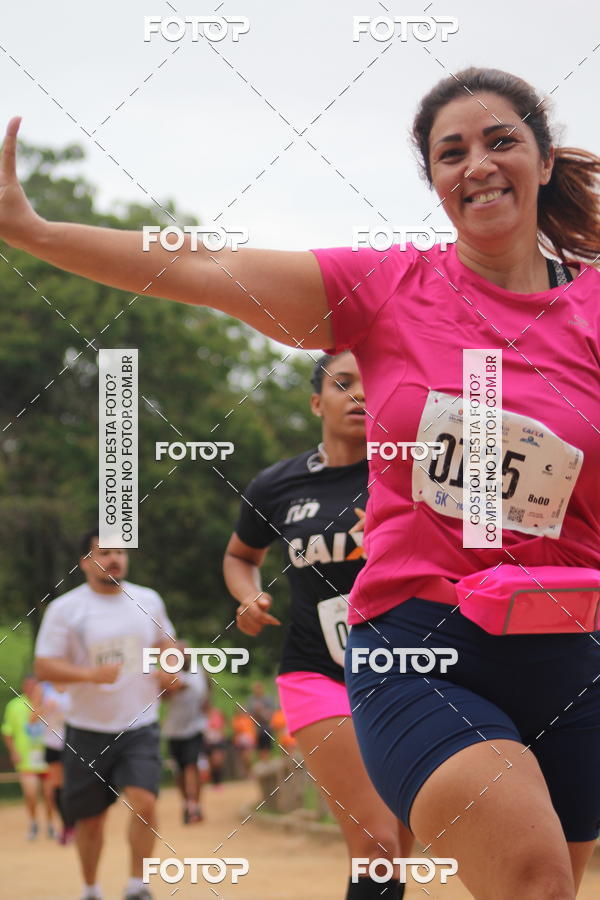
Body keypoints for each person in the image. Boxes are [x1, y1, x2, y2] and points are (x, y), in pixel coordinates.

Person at [1, 62, 599, 897]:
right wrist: (32, 231)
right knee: (534, 879)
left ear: (543, 157)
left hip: (572, 648)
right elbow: (202, 262)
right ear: (434, 179)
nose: (478, 165)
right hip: (420, 648)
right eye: (451, 152)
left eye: (501, 141)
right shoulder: (389, 286)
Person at [223, 351, 412, 900]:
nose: (360, 394)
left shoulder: (411, 471)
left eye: (372, 383)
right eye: (343, 383)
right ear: (316, 402)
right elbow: (240, 555)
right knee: (376, 845)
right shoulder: (277, 485)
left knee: (401, 843)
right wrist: (248, 594)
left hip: (409, 671)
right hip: (318, 672)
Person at [34, 531, 176, 900]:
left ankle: (137, 885)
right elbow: (44, 665)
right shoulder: (65, 609)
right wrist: (89, 675)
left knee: (145, 801)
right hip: (86, 729)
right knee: (91, 819)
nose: (115, 559)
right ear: (85, 562)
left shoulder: (148, 600)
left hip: (140, 724)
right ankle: (91, 889)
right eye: (105, 552)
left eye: (120, 552)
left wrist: (170, 668)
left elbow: (168, 644)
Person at [160, 640, 209, 824]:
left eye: (187, 652)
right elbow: (164, 695)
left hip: (195, 727)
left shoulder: (199, 671)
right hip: (174, 731)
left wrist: (208, 714)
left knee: (192, 765)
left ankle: (195, 805)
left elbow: (207, 692)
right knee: (179, 771)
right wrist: (172, 687)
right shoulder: (170, 673)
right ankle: (186, 803)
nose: (185, 655)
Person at [1, 674, 52, 840]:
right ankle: (33, 822)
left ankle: (50, 823)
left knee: (49, 795)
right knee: (31, 794)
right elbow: (7, 732)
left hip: (48, 757)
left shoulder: (49, 703)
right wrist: (13, 751)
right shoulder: (15, 706)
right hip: (26, 759)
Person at [40, 681, 74, 843]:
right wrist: (45, 709)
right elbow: (32, 719)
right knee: (58, 787)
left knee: (74, 785)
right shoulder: (44, 690)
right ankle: (67, 825)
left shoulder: (75, 687)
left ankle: (76, 822)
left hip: (75, 744)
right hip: (53, 744)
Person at [245, 682, 276, 761]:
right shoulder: (250, 700)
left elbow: (271, 714)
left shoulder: (268, 699)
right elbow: (247, 714)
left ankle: (266, 759)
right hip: (254, 726)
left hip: (266, 726)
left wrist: (261, 711)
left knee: (266, 741)